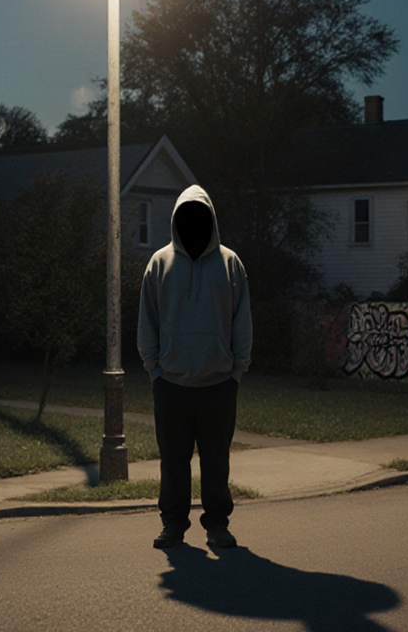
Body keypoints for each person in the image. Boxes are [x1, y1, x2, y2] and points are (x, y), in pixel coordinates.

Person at [138, 185, 252, 550]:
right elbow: (147, 321)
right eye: (185, 215)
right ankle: (173, 525)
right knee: (173, 462)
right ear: (176, 220)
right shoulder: (159, 263)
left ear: (211, 219)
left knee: (216, 462)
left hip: (219, 382)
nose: (192, 222)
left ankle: (218, 525)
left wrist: (236, 371)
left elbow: (242, 322)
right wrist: (154, 370)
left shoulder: (230, 263)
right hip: (171, 383)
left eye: (199, 215)